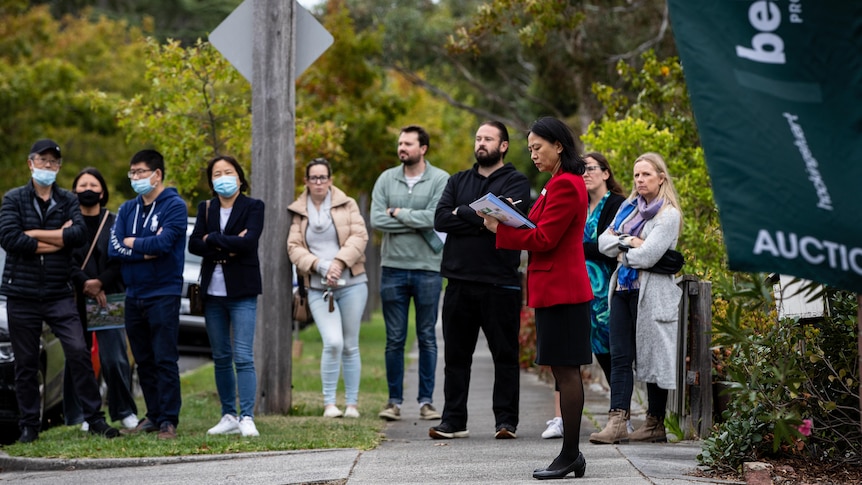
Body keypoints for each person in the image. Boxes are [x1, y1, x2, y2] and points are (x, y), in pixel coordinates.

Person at [478, 117, 592, 480]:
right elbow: (536, 228)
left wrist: (501, 229)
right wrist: (510, 217)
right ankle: (571, 455)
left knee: (567, 373)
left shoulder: (567, 186)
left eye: (537, 148)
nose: (533, 155)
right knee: (562, 371)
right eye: (529, 149)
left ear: (558, 145)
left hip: (565, 291)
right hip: (552, 290)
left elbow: (544, 240)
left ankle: (571, 454)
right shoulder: (554, 184)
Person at [0, 139, 120, 443]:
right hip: (21, 293)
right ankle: (30, 425)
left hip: (59, 293)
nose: (48, 167)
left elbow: (78, 236)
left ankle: (93, 418)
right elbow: (11, 239)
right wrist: (59, 238)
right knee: (26, 363)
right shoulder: (13, 199)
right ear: (30, 164)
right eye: (42, 161)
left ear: (59, 167)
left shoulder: (68, 200)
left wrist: (36, 234)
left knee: (79, 352)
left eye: (54, 162)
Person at [429, 121, 530, 440]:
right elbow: (441, 218)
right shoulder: (458, 180)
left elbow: (509, 220)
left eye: (488, 138)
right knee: (456, 357)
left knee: (505, 355)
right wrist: (482, 217)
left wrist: (464, 214)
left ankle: (506, 422)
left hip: (501, 282)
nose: (481, 143)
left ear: (503, 146)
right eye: (478, 138)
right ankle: (453, 420)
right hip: (459, 281)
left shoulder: (516, 181)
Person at [590, 152, 683, 445]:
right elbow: (602, 242)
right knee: (619, 356)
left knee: (655, 357)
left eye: (646, 174)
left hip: (652, 294)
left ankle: (655, 423)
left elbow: (649, 255)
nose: (640, 180)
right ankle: (618, 420)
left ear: (661, 178)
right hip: (622, 290)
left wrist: (623, 251)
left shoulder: (668, 215)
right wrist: (628, 241)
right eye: (636, 175)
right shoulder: (628, 208)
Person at [541, 152, 626, 440]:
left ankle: (619, 414)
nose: (586, 173)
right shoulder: (579, 201)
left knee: (605, 352)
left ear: (606, 173)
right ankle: (560, 418)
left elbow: (607, 246)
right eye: (583, 169)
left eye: (592, 168)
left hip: (602, 292)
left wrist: (577, 246)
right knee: (565, 358)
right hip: (574, 287)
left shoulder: (615, 204)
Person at [370, 125, 449, 422]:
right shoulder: (386, 179)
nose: (402, 148)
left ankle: (427, 401)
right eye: (400, 143)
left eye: (408, 143)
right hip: (392, 268)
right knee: (394, 338)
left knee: (427, 336)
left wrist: (398, 212)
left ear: (423, 148)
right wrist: (415, 220)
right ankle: (393, 402)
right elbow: (377, 219)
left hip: (428, 269)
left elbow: (436, 217)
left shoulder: (440, 179)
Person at [109, 149, 188, 440]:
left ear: (157, 174)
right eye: (132, 173)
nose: (136, 178)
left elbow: (165, 244)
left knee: (164, 358)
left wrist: (134, 245)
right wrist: (143, 250)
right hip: (134, 294)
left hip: (163, 292)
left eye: (141, 172)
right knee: (142, 360)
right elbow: (113, 248)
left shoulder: (174, 206)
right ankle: (153, 414)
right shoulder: (127, 209)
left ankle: (168, 419)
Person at [189, 155, 264, 437]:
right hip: (212, 292)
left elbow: (248, 242)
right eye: (216, 173)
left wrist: (213, 239)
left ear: (240, 177)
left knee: (243, 356)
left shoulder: (254, 206)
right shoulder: (205, 208)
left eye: (228, 172)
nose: (222, 177)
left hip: (242, 290)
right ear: (211, 181)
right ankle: (228, 415)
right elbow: (195, 244)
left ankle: (247, 416)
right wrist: (222, 243)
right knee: (221, 356)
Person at [288, 158, 368, 419]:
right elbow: (293, 247)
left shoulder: (348, 204)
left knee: (350, 345)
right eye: (314, 178)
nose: (319, 182)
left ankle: (352, 404)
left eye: (323, 177)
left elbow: (360, 236)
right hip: (317, 287)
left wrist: (338, 262)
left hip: (352, 283)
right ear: (306, 181)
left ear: (331, 180)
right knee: (332, 342)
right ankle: (329, 403)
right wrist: (320, 265)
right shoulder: (298, 211)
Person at [66, 167, 139, 432]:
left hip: (109, 296)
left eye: (94, 185)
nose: (88, 189)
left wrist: (100, 282)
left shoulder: (115, 221)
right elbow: (64, 260)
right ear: (74, 191)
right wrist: (85, 282)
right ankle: (87, 414)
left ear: (103, 191)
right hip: (75, 295)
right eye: (82, 185)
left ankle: (124, 410)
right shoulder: (67, 222)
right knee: (79, 356)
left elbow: (122, 257)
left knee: (114, 357)